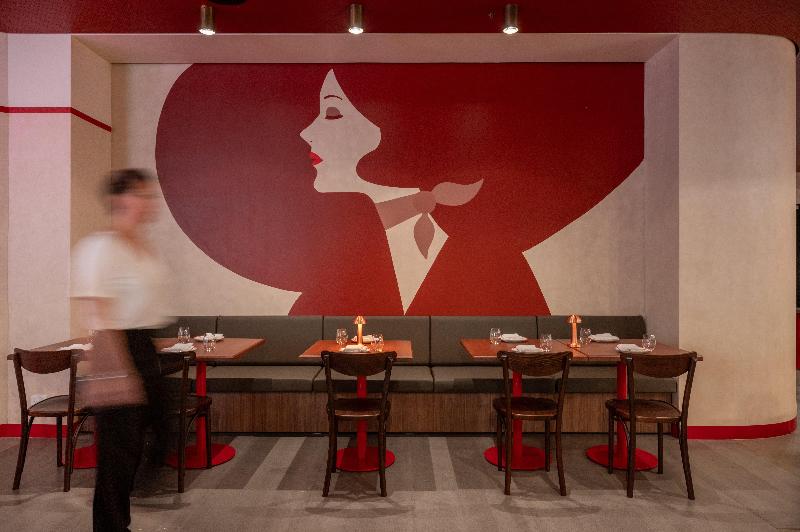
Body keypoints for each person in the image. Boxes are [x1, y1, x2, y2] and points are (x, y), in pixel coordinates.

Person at [155, 63, 644, 315]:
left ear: (393, 129)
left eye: (332, 112)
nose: (307, 132)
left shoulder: (491, 255)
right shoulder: (347, 246)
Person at [71, 168, 171, 531]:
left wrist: (150, 353)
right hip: (115, 347)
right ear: (119, 199)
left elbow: (147, 309)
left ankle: (120, 516)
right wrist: (119, 368)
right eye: (142, 195)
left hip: (144, 346)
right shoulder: (99, 247)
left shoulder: (143, 248)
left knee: (160, 436)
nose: (149, 202)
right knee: (118, 452)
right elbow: (96, 310)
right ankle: (111, 525)